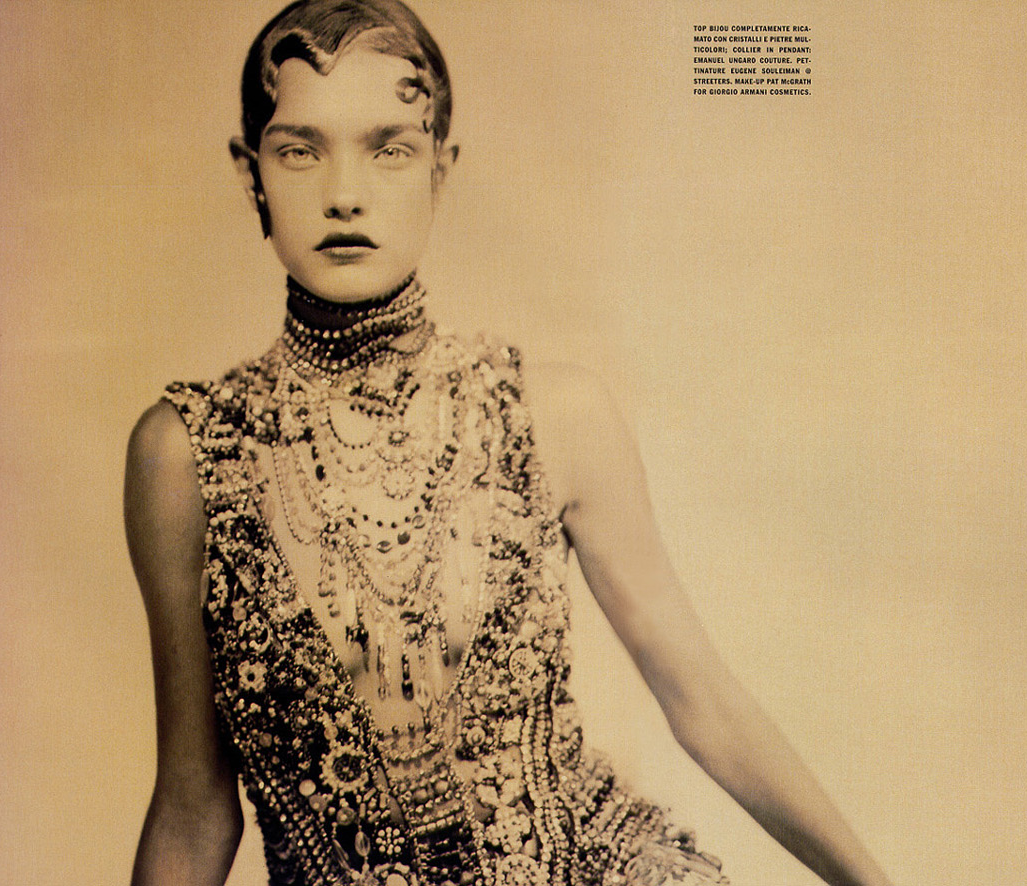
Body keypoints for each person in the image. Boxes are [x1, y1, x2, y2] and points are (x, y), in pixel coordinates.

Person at [125, 2, 893, 884]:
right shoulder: (186, 455)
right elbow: (194, 803)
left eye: (389, 149)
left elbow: (704, 705)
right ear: (250, 172)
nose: (345, 193)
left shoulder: (549, 414)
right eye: (301, 151)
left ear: (440, 170)